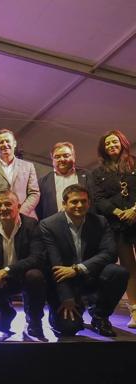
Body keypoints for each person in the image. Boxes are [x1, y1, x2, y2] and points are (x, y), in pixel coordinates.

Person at [40, 184, 128, 337]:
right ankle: (63, 311)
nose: (79, 205)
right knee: (69, 328)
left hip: (89, 276)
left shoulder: (100, 222)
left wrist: (77, 268)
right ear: (64, 204)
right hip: (64, 282)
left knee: (118, 272)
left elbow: (110, 253)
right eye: (74, 202)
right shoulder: (48, 225)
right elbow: (56, 265)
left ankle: (100, 316)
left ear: (89, 203)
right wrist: (66, 298)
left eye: (84, 201)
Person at [0, 190, 46, 337]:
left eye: (8, 204)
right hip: (1, 278)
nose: (3, 208)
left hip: (24, 275)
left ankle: (34, 320)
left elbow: (37, 257)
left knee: (36, 276)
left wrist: (8, 270)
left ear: (18, 206)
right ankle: (7, 312)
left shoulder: (31, 225)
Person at [92, 130, 136, 328]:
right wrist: (119, 212)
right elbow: (99, 199)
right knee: (129, 268)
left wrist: (134, 210)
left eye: (114, 142)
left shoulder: (135, 163)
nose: (111, 146)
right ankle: (135, 311)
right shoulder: (98, 172)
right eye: (107, 143)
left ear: (123, 143)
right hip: (118, 225)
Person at [0, 129, 40, 219]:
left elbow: (34, 193)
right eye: (1, 142)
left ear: (14, 143)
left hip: (25, 218)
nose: (4, 144)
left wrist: (19, 214)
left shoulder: (28, 166)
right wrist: (3, 212)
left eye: (7, 141)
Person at [36, 142, 95, 220]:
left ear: (74, 157)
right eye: (57, 157)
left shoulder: (88, 176)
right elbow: (39, 209)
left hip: (85, 224)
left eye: (66, 156)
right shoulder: (43, 181)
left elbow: (95, 201)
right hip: (54, 227)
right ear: (52, 159)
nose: (62, 159)